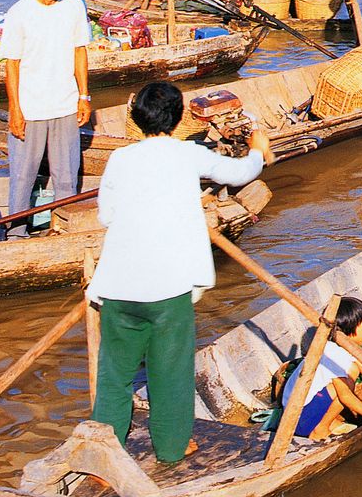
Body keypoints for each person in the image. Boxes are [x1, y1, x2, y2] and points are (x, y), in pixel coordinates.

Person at [87, 81, 274, 464]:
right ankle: (171, 449)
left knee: (114, 377)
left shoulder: (119, 159)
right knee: (169, 374)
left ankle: (102, 456)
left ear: (137, 120)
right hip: (167, 288)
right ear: (176, 118)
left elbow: (107, 215)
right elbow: (240, 174)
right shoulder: (188, 154)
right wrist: (258, 149)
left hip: (117, 286)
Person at [0, 0, 91, 238]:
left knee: (66, 177)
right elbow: (11, 64)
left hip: (64, 105)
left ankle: (62, 231)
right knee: (23, 178)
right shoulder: (20, 14)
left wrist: (83, 96)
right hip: (31, 108)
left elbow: (80, 52)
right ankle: (16, 233)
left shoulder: (75, 6)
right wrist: (15, 109)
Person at [270, 297, 362, 440]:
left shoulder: (341, 347)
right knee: (344, 383)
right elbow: (344, 395)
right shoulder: (334, 355)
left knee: (351, 372)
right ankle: (319, 429)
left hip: (299, 414)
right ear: (349, 331)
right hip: (295, 421)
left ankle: (327, 421)